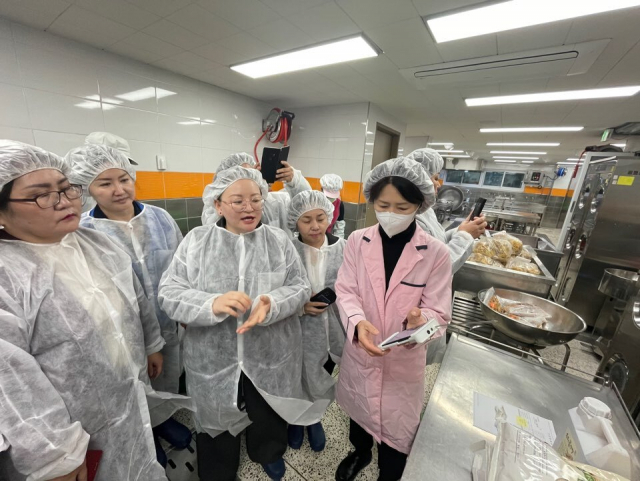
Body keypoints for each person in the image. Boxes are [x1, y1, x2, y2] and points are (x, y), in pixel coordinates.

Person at [0, 140, 168, 480]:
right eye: (41, 195)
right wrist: (55, 455)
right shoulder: (8, 277)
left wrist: (152, 343)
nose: (63, 201)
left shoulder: (99, 244)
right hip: (70, 437)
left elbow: (136, 302)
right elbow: (10, 382)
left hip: (127, 398)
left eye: (66, 189)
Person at [158, 167, 323, 481]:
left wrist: (272, 303)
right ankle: (219, 468)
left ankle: (268, 451)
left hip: (269, 354)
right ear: (218, 205)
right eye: (237, 201)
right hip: (214, 358)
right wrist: (210, 303)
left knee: (267, 409)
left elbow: (300, 286)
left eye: (255, 199)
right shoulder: (196, 241)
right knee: (215, 414)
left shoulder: (278, 241)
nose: (249, 207)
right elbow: (169, 292)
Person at [67, 140, 192, 467]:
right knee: (132, 385)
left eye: (123, 179)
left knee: (167, 375)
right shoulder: (84, 231)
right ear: (88, 188)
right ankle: (146, 433)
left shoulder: (160, 218)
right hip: (121, 333)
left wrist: (186, 308)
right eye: (105, 183)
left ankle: (163, 420)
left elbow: (183, 267)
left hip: (168, 322)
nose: (119, 189)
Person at [333, 157, 452, 481]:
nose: (391, 214)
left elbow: (439, 312)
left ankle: (389, 472)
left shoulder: (435, 253)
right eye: (383, 205)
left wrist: (419, 323)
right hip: (362, 350)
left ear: (419, 205)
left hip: (402, 362)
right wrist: (357, 322)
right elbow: (346, 289)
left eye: (402, 207)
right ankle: (360, 452)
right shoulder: (357, 241)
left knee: (397, 435)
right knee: (359, 414)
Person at [286, 191, 347, 452]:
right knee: (297, 374)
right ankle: (296, 419)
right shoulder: (287, 250)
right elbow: (278, 291)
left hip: (333, 329)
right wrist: (299, 307)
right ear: (294, 222)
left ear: (329, 217)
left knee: (323, 372)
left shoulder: (343, 248)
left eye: (320, 219)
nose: (314, 226)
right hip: (297, 329)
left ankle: (314, 418)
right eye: (306, 220)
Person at [406, 148, 486, 273]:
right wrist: (465, 235)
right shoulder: (412, 219)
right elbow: (437, 268)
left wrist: (462, 229)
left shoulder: (426, 211)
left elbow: (438, 241)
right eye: (435, 178)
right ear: (420, 180)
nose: (439, 184)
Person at [201, 152, 311, 235]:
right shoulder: (216, 209)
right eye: (238, 201)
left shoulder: (277, 202)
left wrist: (295, 181)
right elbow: (213, 227)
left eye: (252, 174)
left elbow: (308, 205)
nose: (249, 208)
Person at [319, 173, 346, 238]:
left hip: (327, 238)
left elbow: (339, 228)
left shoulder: (339, 204)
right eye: (328, 196)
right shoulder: (314, 202)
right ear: (321, 189)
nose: (330, 199)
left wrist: (338, 241)